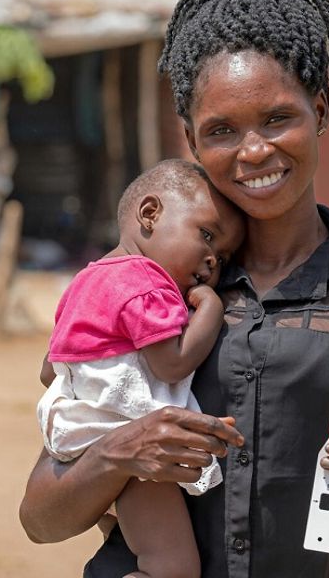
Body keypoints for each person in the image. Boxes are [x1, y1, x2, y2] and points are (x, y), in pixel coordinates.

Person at [20, 0, 329, 576]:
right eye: (222, 130)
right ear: (192, 143)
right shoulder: (149, 291)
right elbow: (40, 519)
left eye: (277, 118)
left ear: (321, 110)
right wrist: (120, 452)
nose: (253, 151)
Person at [36, 159, 244, 578]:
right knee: (174, 569)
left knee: (131, 546)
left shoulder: (88, 279)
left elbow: (49, 370)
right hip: (134, 448)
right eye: (206, 236)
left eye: (221, 258)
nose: (210, 264)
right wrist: (211, 310)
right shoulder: (148, 284)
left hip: (79, 444)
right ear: (150, 215)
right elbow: (172, 363)